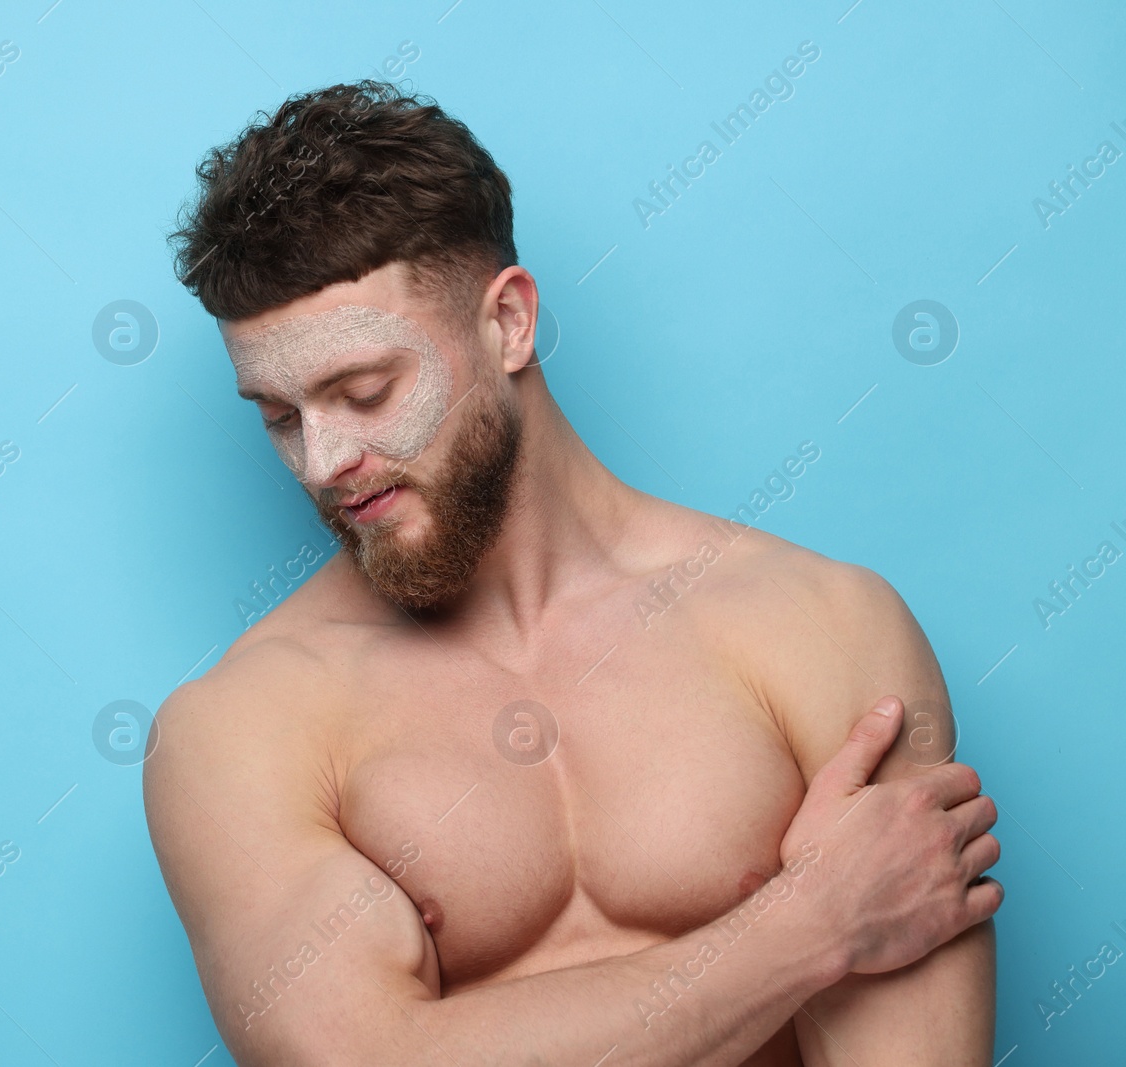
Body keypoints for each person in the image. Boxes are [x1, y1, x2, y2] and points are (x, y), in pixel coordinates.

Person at [144, 80, 1000, 1066]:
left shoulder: (816, 625)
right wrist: (806, 927)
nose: (323, 459)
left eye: (364, 391)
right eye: (280, 417)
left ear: (507, 322)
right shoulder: (240, 726)